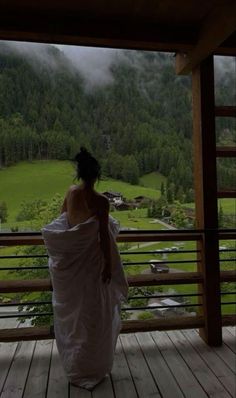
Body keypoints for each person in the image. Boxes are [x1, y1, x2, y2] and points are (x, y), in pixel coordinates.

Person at [42, 147, 128, 390]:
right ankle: (93, 368)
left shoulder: (70, 193)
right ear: (96, 175)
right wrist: (109, 268)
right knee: (93, 317)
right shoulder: (100, 201)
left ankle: (76, 368)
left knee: (75, 319)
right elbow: (103, 237)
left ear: (79, 173)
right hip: (92, 266)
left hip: (72, 267)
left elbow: (63, 221)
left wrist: (75, 242)